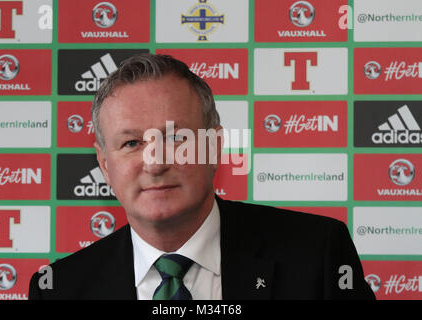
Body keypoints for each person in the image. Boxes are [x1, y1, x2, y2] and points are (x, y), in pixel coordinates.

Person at [29, 53, 375, 300]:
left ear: (215, 147)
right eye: (132, 142)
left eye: (177, 138)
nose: (154, 163)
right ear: (105, 164)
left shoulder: (318, 253)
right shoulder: (59, 288)